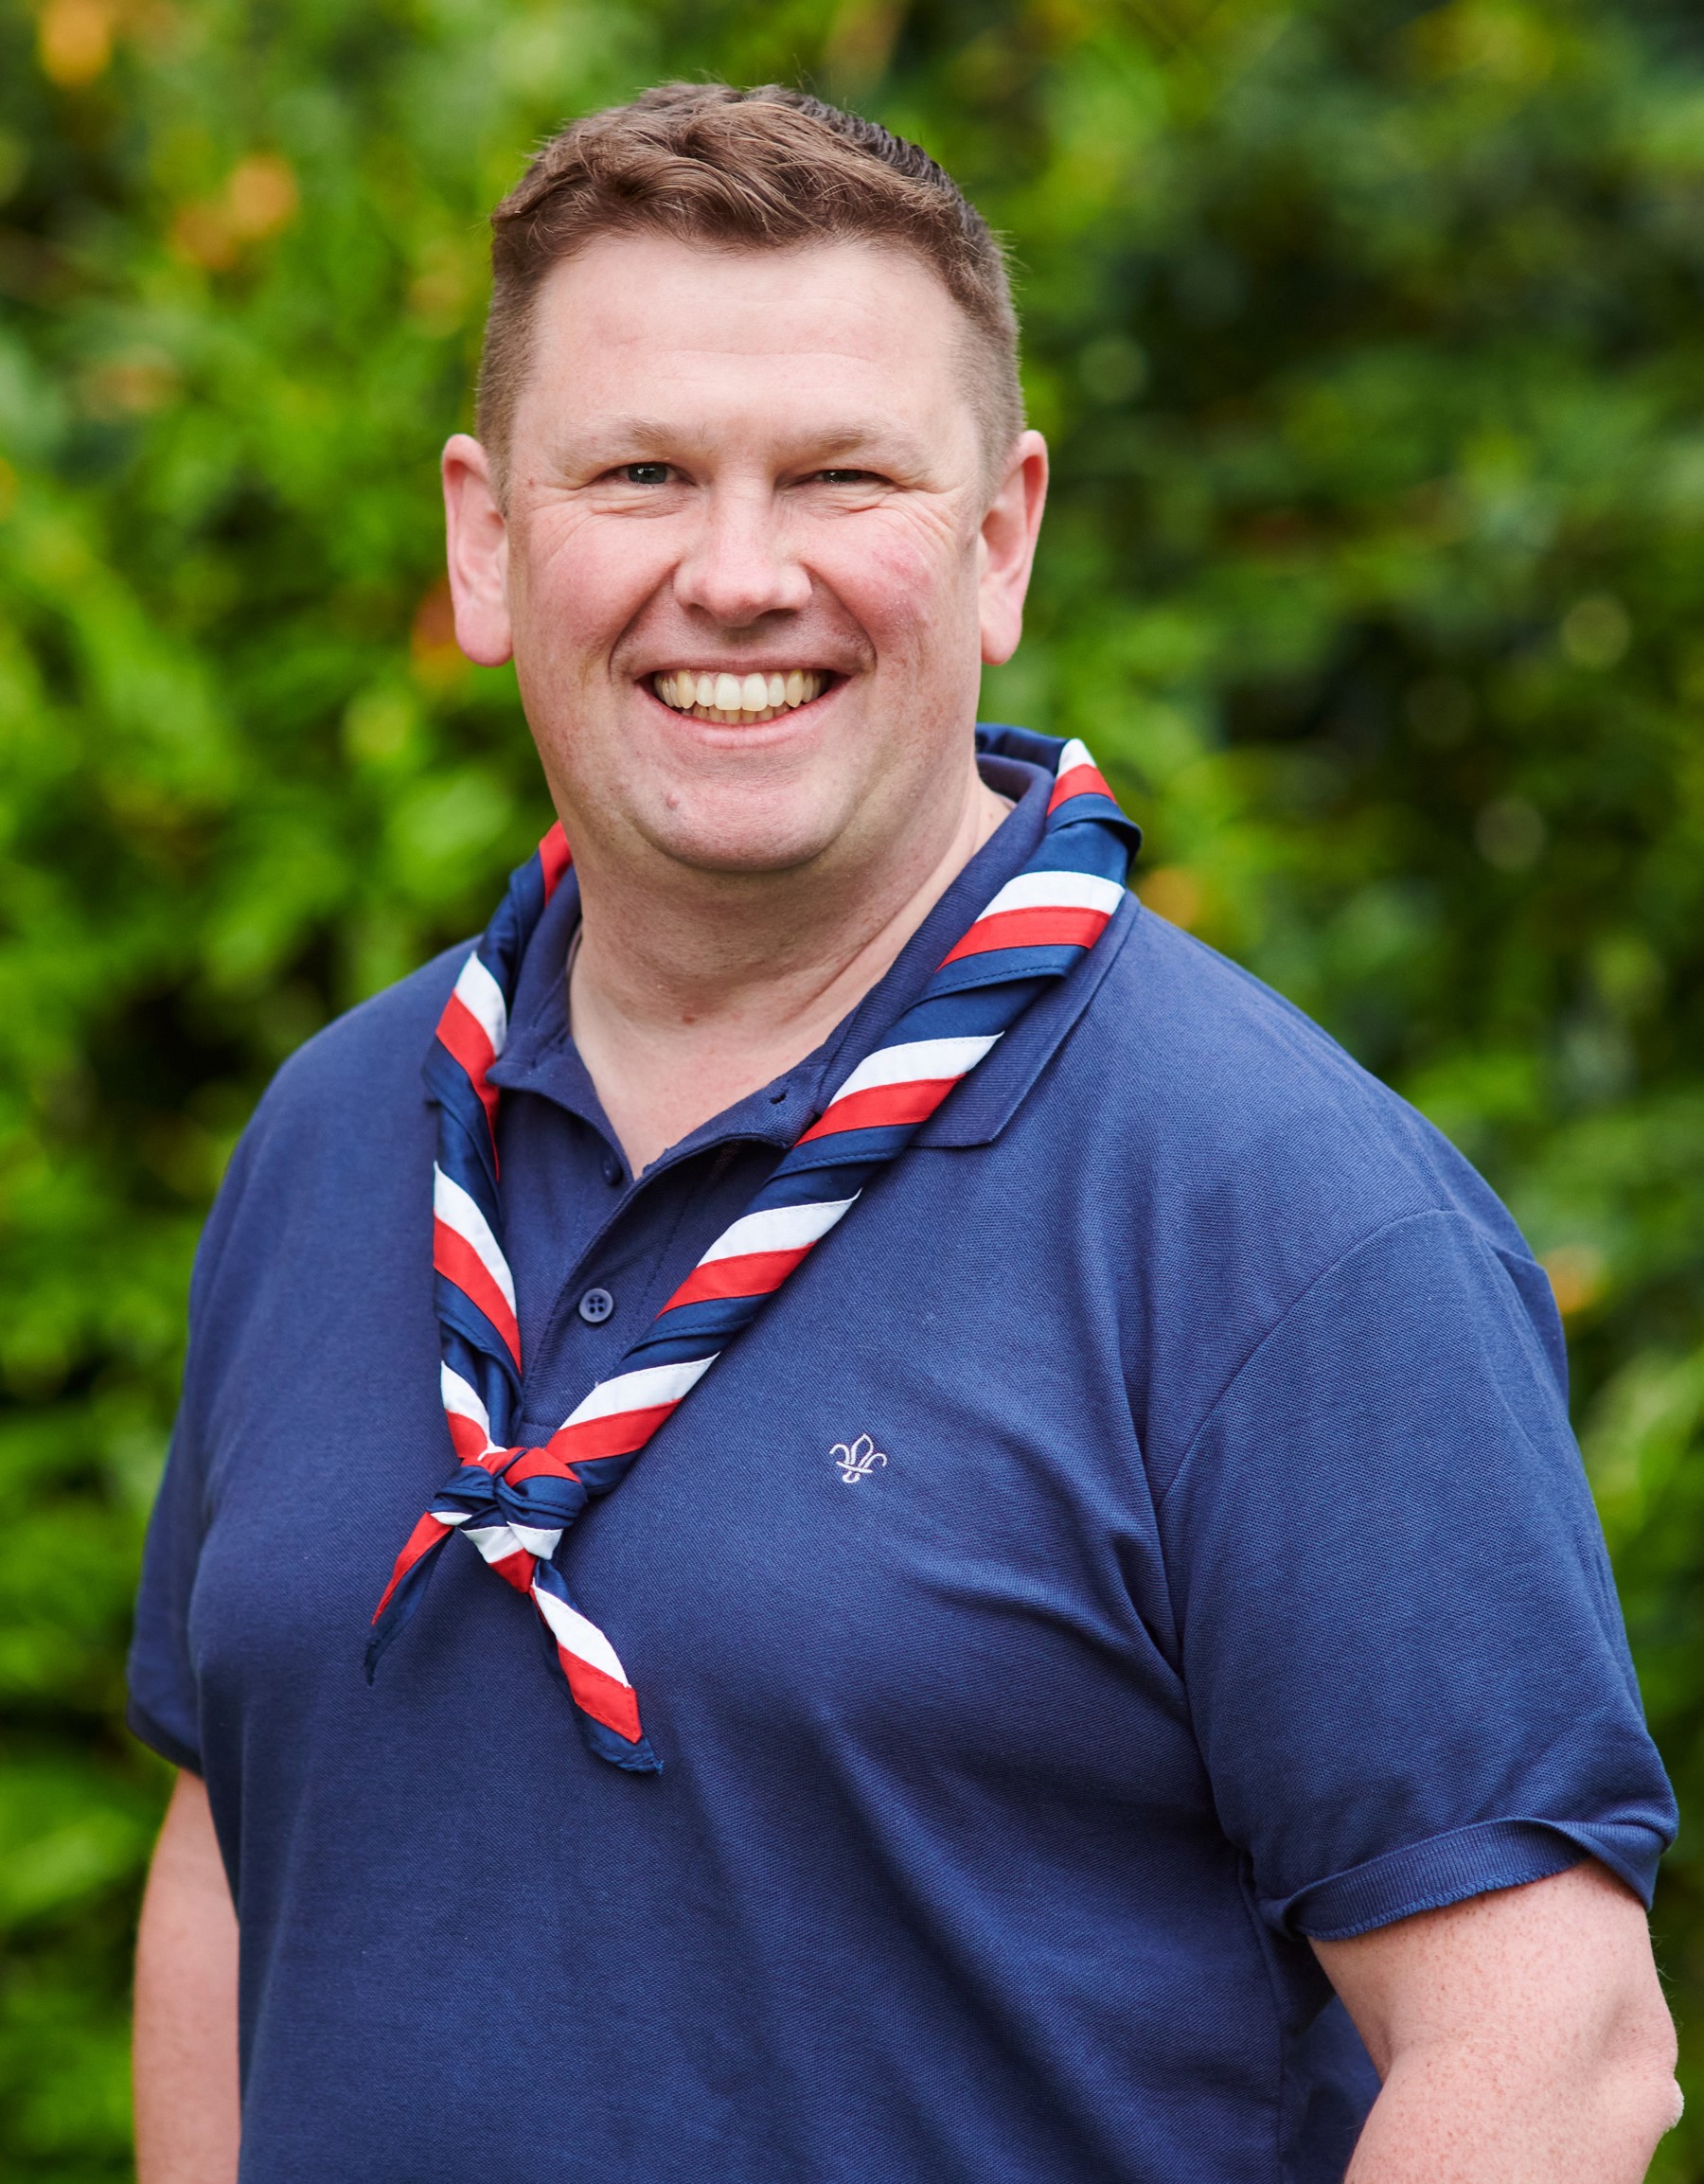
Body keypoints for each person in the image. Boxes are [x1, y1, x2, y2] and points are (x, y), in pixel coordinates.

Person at [127, 82, 1680, 2184]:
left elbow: (1554, 2054)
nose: (738, 573)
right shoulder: (339, 1134)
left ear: (1002, 534)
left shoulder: (1282, 1214)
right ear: (488, 540)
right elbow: (240, 1848)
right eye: (644, 472)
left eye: (841, 475)